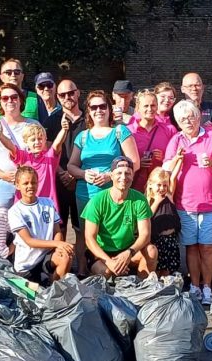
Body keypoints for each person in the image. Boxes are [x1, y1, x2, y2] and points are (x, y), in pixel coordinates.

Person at [163, 100, 212, 305]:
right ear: (178, 122)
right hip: (185, 203)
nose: (188, 121)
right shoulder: (176, 140)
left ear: (198, 116)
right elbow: (166, 168)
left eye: (191, 116)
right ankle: (194, 285)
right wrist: (177, 159)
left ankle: (208, 287)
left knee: (208, 247)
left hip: (210, 203)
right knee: (191, 247)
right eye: (182, 119)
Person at [67, 90, 140, 219]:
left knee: (113, 236)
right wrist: (84, 174)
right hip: (85, 194)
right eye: (94, 107)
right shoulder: (83, 136)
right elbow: (71, 166)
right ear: (89, 111)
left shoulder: (120, 131)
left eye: (102, 106)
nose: (98, 110)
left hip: (114, 194)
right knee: (88, 236)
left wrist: (110, 176)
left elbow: (135, 163)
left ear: (109, 109)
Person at [82, 156, 158, 277]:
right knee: (105, 272)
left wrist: (130, 252)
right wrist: (109, 262)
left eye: (128, 173)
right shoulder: (97, 200)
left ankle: (142, 290)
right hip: (102, 253)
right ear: (111, 176)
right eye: (119, 173)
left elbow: (145, 235)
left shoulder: (140, 199)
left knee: (151, 251)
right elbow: (89, 238)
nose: (123, 177)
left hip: (127, 250)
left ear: (133, 176)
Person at [45, 79, 86, 264]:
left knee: (82, 228)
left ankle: (83, 268)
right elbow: (47, 150)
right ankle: (61, 267)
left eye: (71, 93)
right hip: (58, 180)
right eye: (62, 95)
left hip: (82, 180)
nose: (67, 97)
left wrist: (76, 173)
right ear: (57, 97)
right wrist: (62, 172)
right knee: (59, 229)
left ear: (78, 93)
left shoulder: (89, 119)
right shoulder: (52, 120)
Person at [7, 166, 73, 282]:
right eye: (25, 183)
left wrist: (58, 248)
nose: (30, 186)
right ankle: (41, 285)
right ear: (17, 185)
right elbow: (29, 241)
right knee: (33, 296)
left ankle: (54, 291)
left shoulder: (47, 202)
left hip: (45, 257)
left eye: (33, 182)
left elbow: (57, 231)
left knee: (65, 256)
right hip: (26, 265)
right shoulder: (15, 211)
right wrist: (57, 243)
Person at [0, 83, 39, 208]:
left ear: (20, 99)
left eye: (14, 97)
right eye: (5, 98)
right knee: (1, 221)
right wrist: (2, 175)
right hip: (1, 184)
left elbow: (42, 153)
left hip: (29, 184)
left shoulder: (34, 125)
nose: (10, 101)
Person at [0, 121, 68, 207]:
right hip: (24, 205)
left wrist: (64, 129)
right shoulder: (23, 157)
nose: (37, 142)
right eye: (33, 139)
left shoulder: (50, 158)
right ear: (26, 141)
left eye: (40, 139)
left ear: (45, 140)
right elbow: (11, 147)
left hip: (46, 205)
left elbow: (57, 144)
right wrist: (1, 136)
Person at [128, 89, 178, 194]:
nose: (150, 109)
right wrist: (137, 163)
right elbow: (121, 158)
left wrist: (164, 158)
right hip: (135, 187)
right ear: (138, 108)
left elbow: (177, 158)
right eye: (146, 106)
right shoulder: (129, 131)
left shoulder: (169, 129)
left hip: (160, 189)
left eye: (153, 105)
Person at [0, 59, 49, 126]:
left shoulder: (35, 98)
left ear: (22, 76)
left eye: (17, 72)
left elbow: (46, 126)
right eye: (8, 72)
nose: (13, 75)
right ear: (1, 77)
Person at [145, 166, 182, 275]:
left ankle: (166, 288)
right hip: (158, 240)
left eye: (164, 185)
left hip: (170, 239)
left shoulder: (169, 196)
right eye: (159, 185)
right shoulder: (149, 200)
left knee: (167, 270)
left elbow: (173, 176)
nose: (162, 188)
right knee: (157, 267)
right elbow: (147, 216)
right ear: (151, 185)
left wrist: (178, 159)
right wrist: (156, 202)